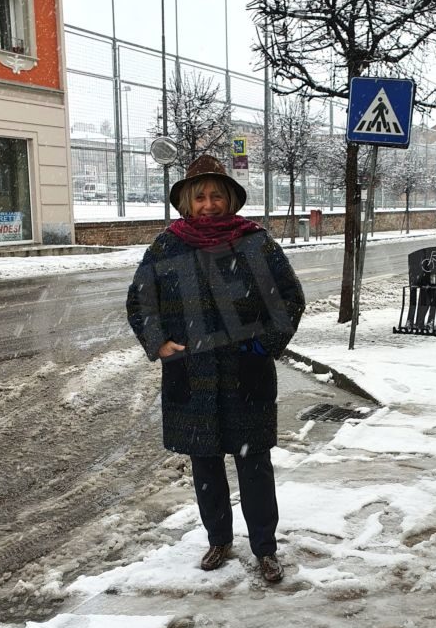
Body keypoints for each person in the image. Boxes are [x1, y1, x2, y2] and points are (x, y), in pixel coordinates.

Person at [127, 155, 305, 583]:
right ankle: (218, 540)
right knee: (205, 465)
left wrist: (264, 344)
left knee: (254, 467)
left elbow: (289, 299)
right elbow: (140, 302)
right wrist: (159, 342)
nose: (209, 204)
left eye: (217, 196)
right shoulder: (166, 246)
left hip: (247, 374)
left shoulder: (255, 243)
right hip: (192, 376)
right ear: (188, 202)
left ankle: (265, 548)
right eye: (201, 196)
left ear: (230, 199)